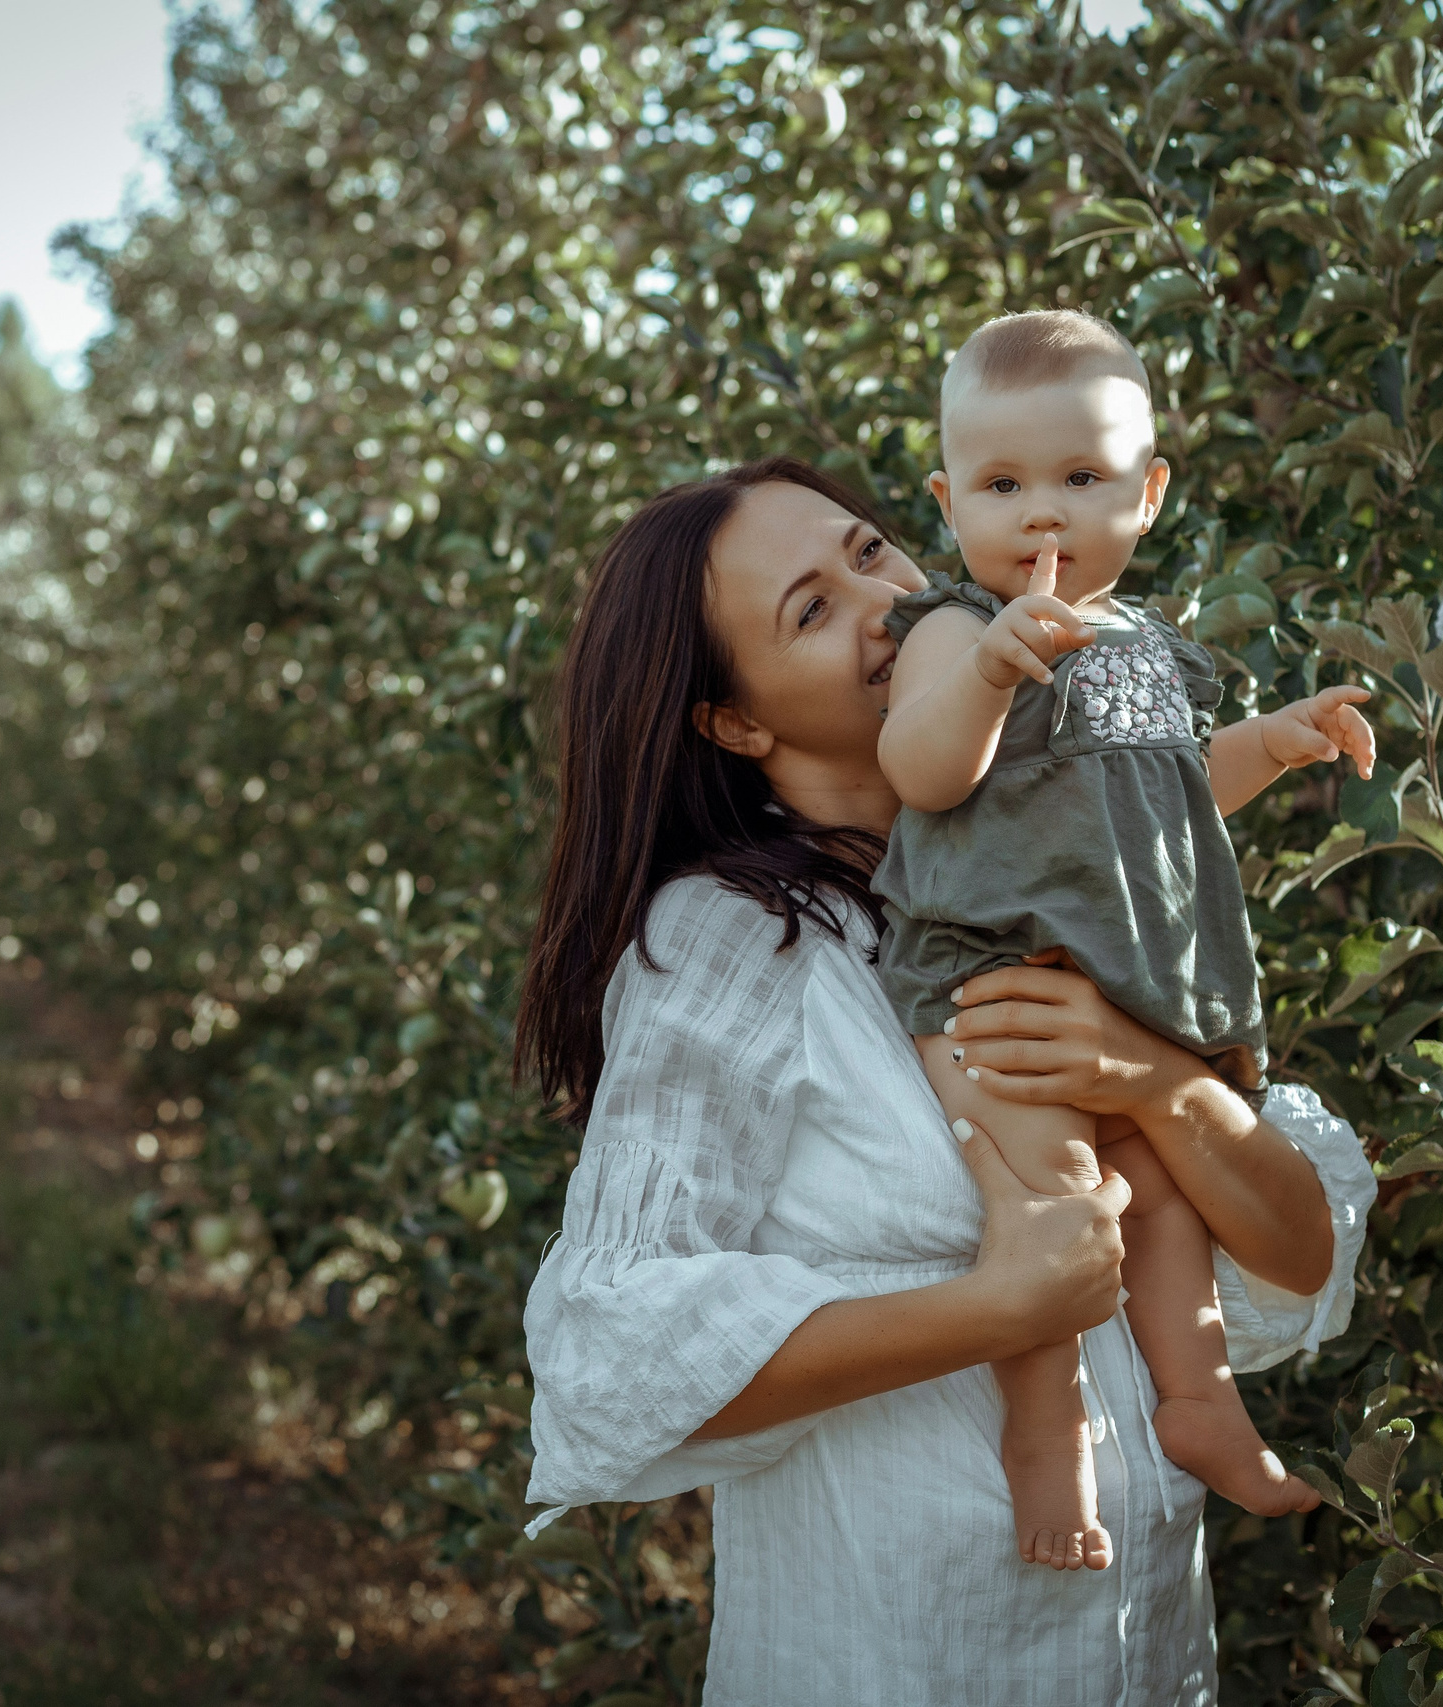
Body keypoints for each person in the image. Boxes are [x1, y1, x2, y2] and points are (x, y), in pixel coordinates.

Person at [514, 455, 1375, 1705]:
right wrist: (998, 1306)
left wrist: (1154, 1084)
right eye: (808, 609)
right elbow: (609, 1351)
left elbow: (1294, 1261)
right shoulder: (735, 941)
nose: (877, 606)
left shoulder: (1081, 857)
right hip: (892, 1660)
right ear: (735, 720)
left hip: (1146, 1664)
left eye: (870, 553)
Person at [876, 309, 1376, 1570]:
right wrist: (989, 672)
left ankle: (1201, 1403)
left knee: (1160, 1204)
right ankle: (1044, 1440)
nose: (1040, 514)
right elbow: (920, 770)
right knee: (1052, 1210)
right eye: (1001, 485)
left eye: (1080, 478)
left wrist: (1279, 737)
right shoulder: (950, 628)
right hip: (995, 984)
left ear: (1147, 496)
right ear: (949, 506)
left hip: (1135, 995)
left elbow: (1166, 793)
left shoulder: (1143, 644)